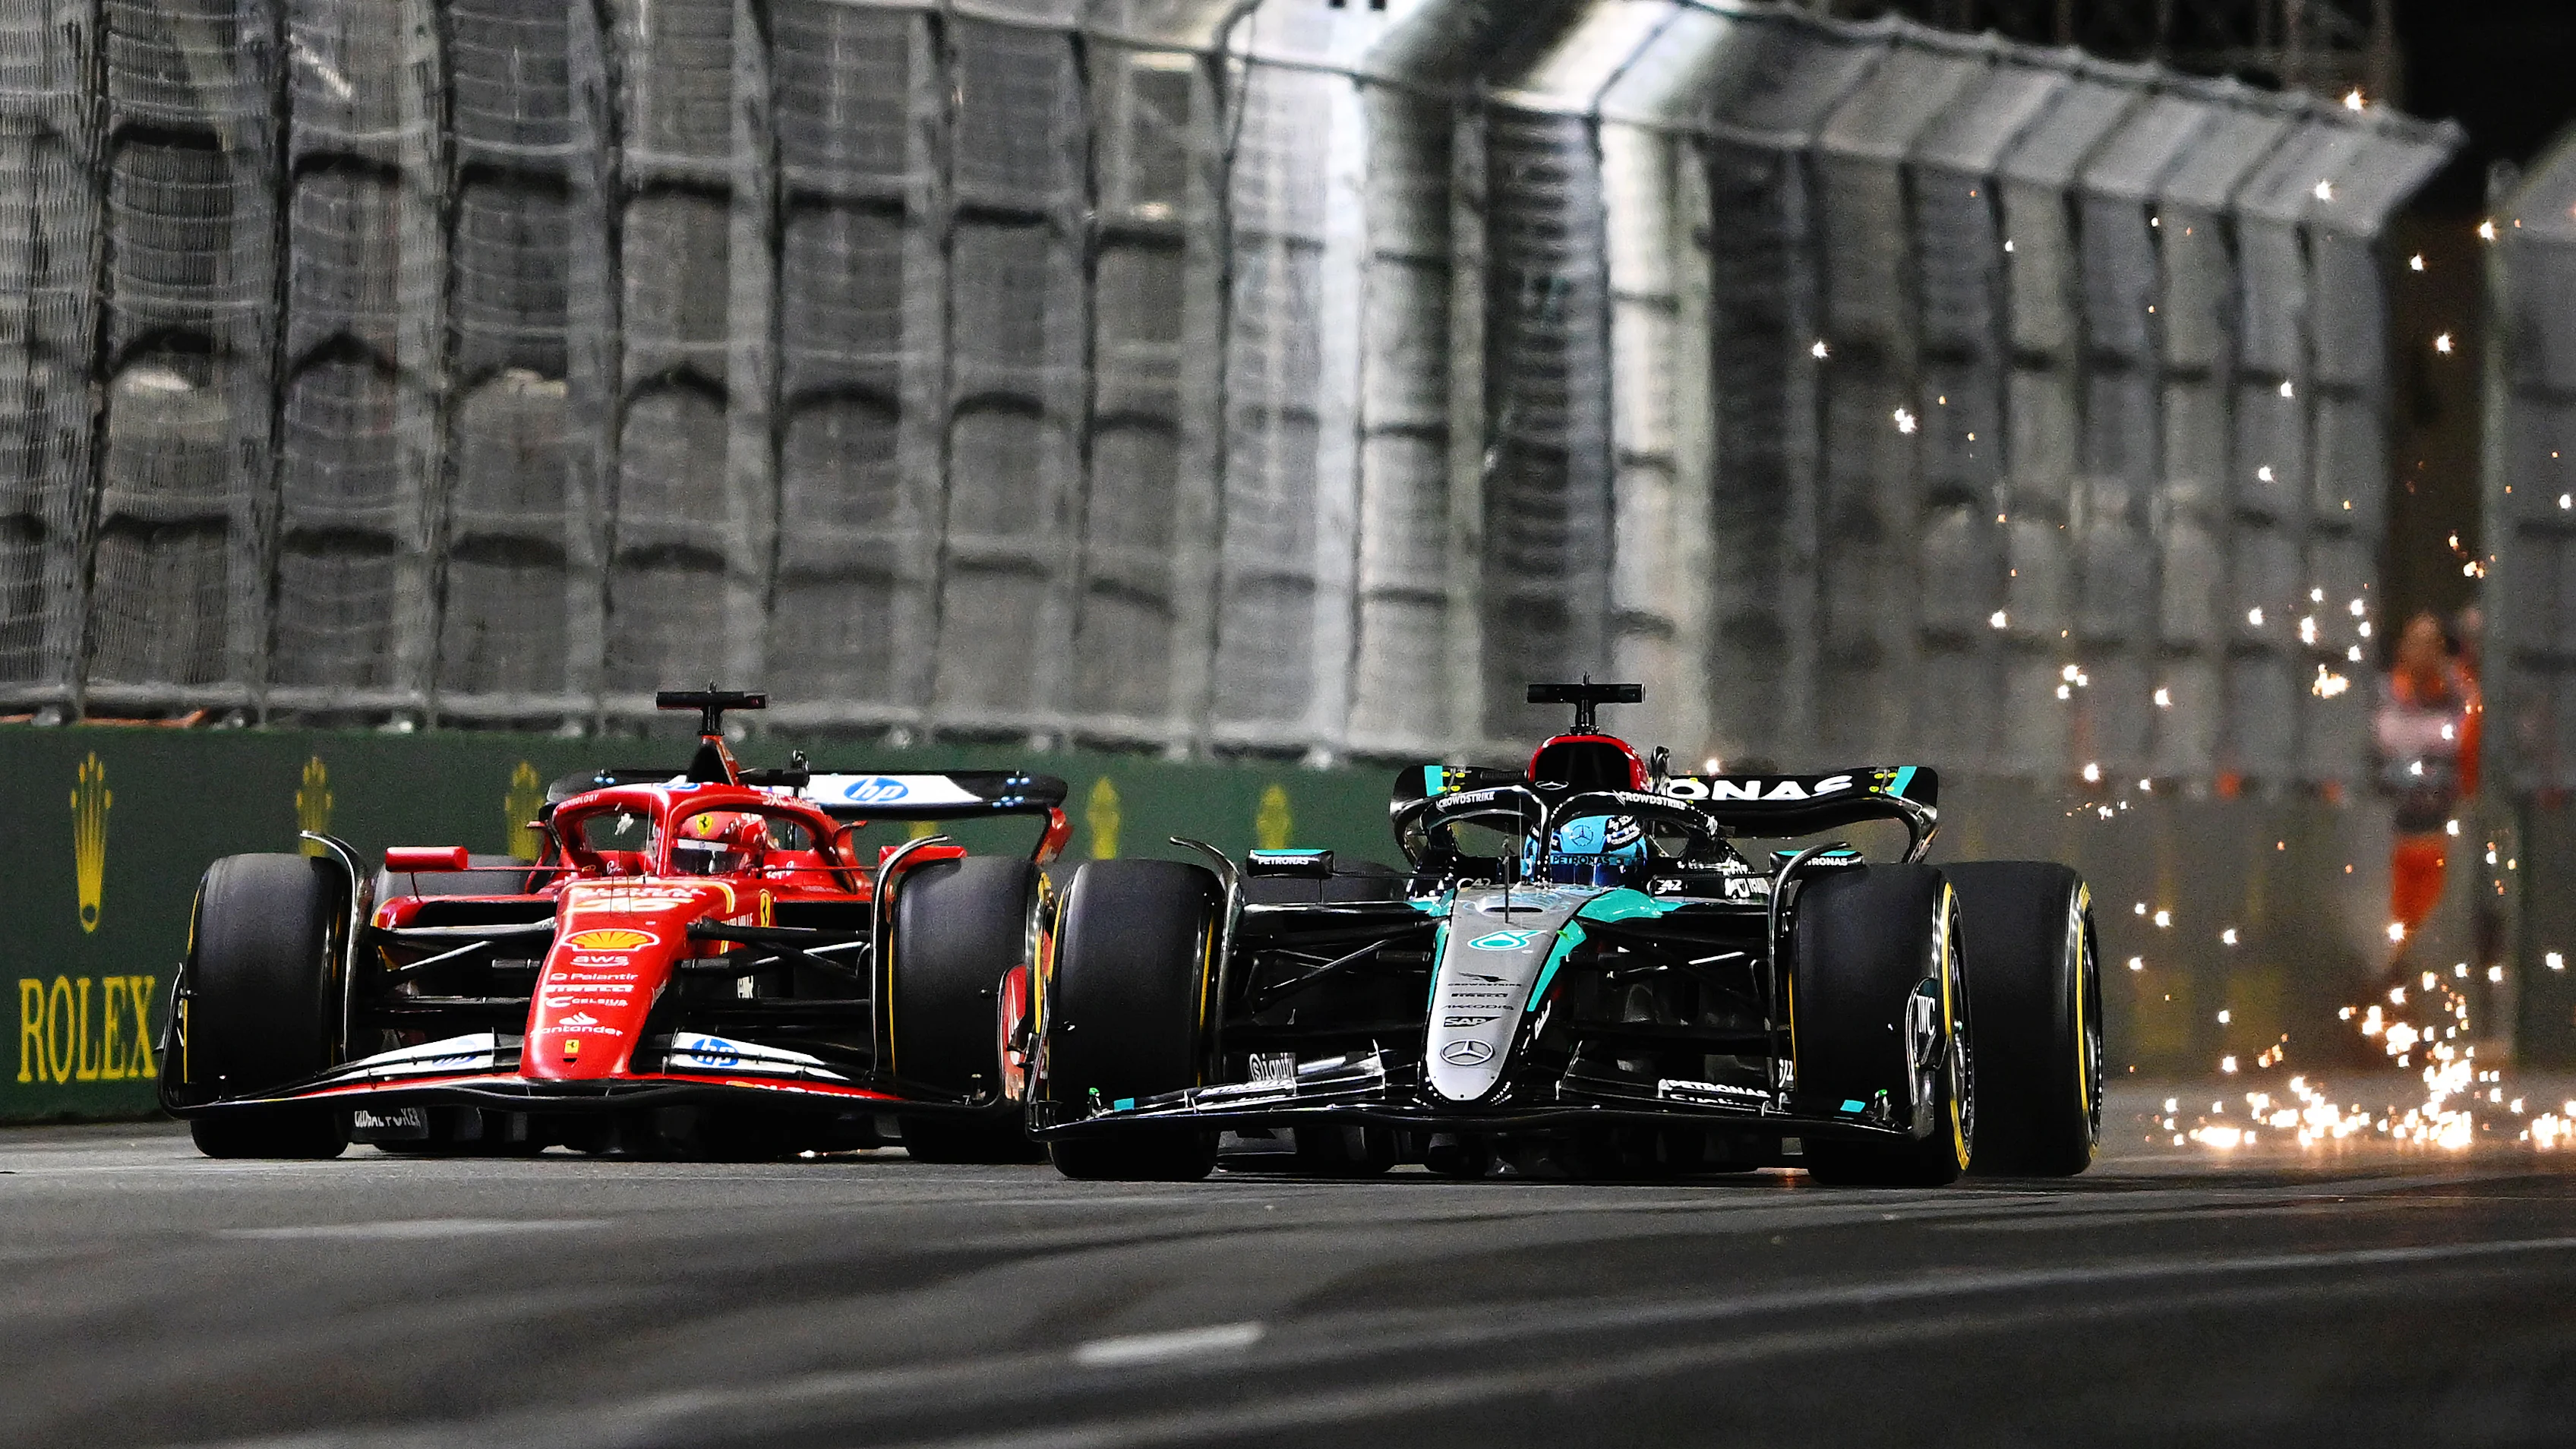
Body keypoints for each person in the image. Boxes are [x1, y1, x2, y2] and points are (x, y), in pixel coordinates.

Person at [2374, 612, 2472, 945]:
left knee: (2433, 938)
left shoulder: (2460, 696)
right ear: (2402, 648)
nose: (2423, 652)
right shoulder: (2383, 696)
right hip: (2388, 835)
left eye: (2432, 644)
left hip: (2443, 834)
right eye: (2416, 642)